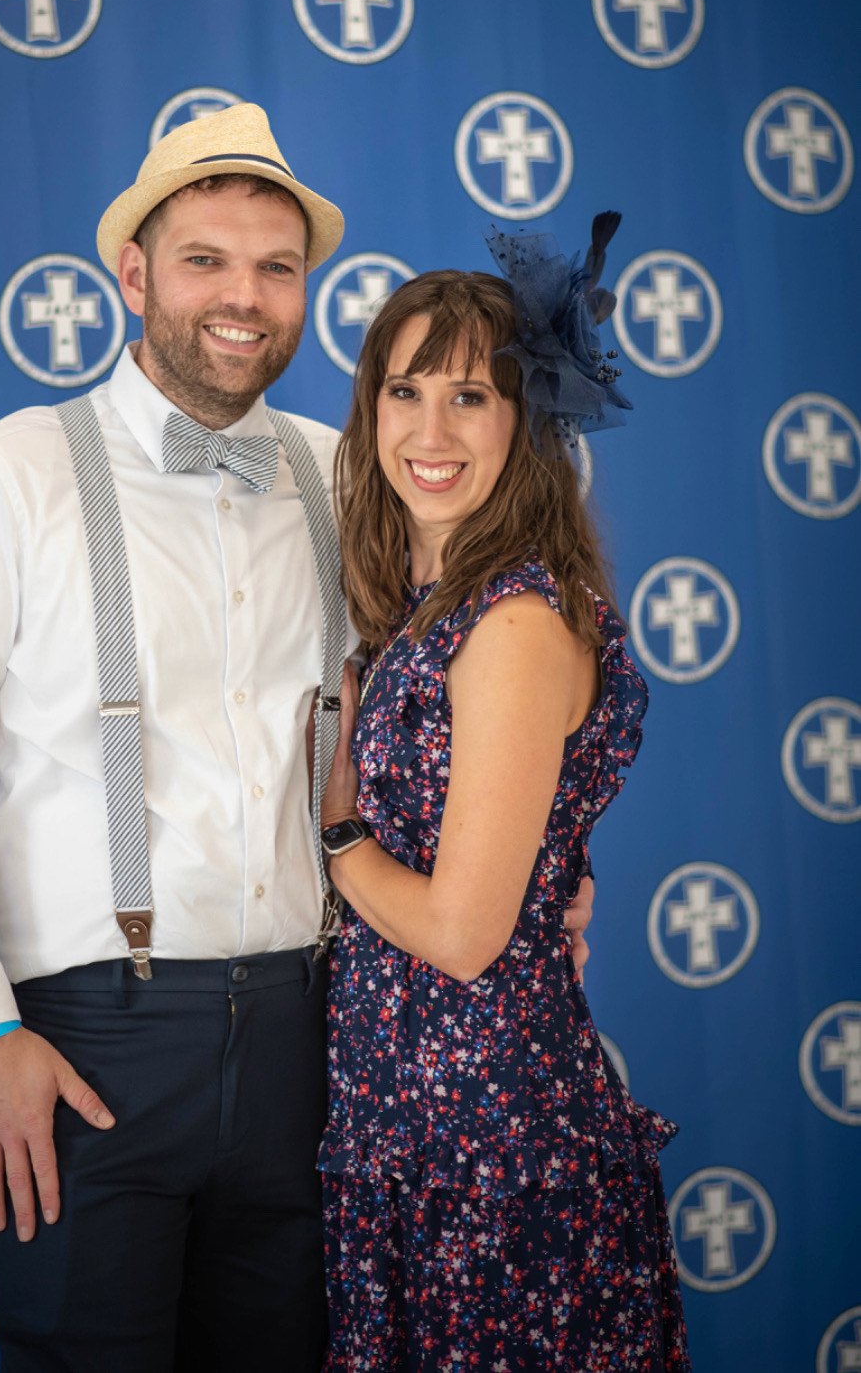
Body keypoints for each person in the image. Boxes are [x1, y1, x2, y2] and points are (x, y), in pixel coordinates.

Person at [0, 102, 593, 1372]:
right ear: (133, 274)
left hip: (321, 1037)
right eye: (205, 260)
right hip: (90, 1039)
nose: (244, 297)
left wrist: (552, 867)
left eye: (276, 267)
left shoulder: (355, 473)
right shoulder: (4, 478)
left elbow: (479, 703)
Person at [317, 225, 692, 1371]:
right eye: (405, 392)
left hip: (490, 1140)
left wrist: (334, 830)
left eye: (470, 397)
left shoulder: (515, 622)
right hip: (403, 1126)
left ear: (525, 421)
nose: (429, 432)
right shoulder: (425, 609)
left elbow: (465, 933)